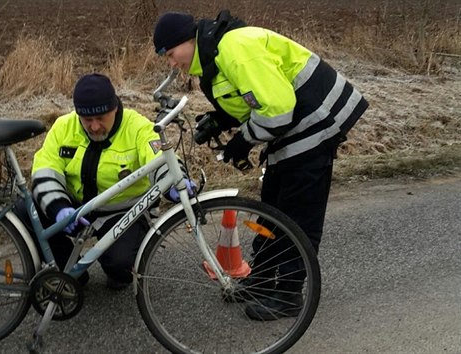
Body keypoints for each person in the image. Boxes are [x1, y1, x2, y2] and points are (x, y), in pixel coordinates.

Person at [153, 10, 368, 319]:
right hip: (295, 124)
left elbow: (278, 109)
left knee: (297, 212)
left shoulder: (234, 50)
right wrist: (221, 119)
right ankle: (264, 280)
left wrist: (244, 140)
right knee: (273, 206)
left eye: (171, 54)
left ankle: (289, 294)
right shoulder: (214, 58)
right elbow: (252, 98)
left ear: (187, 40)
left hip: (317, 120)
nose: (172, 63)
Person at [19, 73, 194, 290]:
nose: (94, 127)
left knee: (120, 266)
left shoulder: (137, 126)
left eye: (101, 118)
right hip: (75, 209)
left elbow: (159, 158)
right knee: (25, 211)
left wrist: (176, 182)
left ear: (115, 108)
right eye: (87, 120)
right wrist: (59, 209)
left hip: (121, 213)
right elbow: (45, 170)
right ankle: (68, 272)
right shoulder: (63, 126)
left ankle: (118, 267)